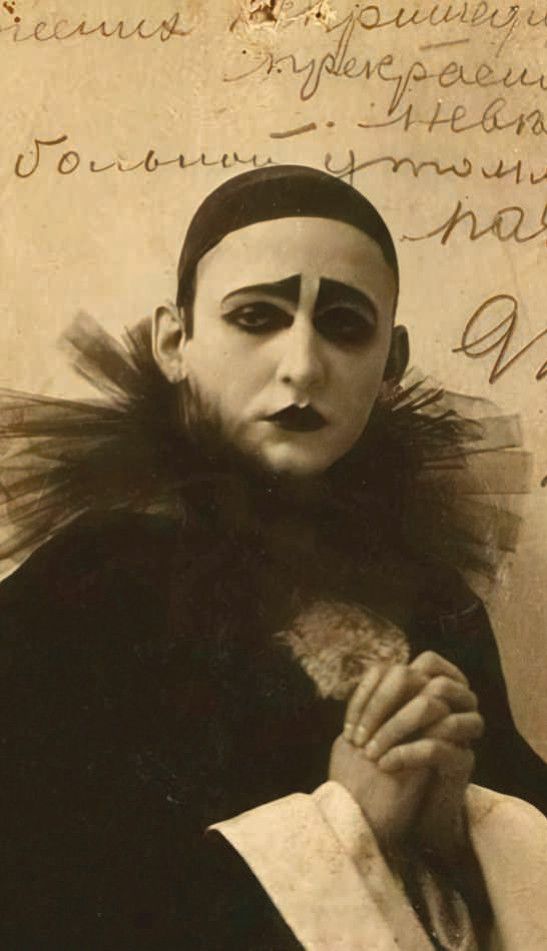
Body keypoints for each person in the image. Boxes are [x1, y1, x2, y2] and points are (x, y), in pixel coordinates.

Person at [0, 165, 546, 949]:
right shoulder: (86, 586)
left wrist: (452, 824)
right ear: (174, 341)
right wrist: (341, 829)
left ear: (389, 363)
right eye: (256, 316)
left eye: (345, 326)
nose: (302, 365)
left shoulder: (431, 599)